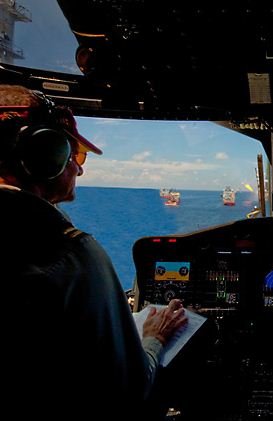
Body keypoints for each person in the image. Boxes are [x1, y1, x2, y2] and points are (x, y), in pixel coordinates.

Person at [0, 84, 188, 419]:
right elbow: (129, 391)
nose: (79, 169)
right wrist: (154, 338)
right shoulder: (71, 256)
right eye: (75, 156)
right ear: (46, 156)